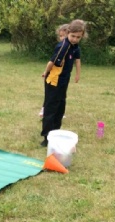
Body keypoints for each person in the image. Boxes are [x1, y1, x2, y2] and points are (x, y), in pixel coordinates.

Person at [39, 19, 87, 147]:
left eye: (78, 37)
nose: (75, 39)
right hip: (54, 80)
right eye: (73, 36)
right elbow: (52, 62)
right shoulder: (63, 47)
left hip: (64, 80)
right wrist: (45, 72)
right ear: (68, 33)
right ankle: (47, 137)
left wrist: (77, 74)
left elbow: (77, 61)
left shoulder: (74, 46)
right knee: (51, 107)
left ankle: (55, 132)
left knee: (60, 106)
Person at [39, 23, 69, 118]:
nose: (62, 38)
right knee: (50, 93)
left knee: (62, 94)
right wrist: (46, 72)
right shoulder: (60, 47)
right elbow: (51, 62)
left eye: (64, 36)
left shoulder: (72, 49)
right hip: (53, 74)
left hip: (63, 76)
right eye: (60, 36)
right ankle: (44, 109)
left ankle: (60, 112)